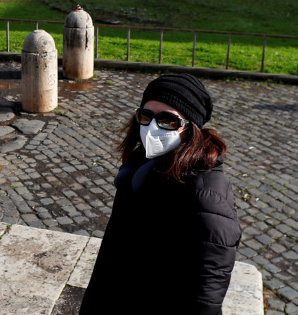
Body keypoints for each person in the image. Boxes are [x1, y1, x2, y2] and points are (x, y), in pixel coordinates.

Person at [79, 74, 240, 315]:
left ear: (189, 128)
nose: (152, 127)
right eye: (146, 116)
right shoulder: (141, 164)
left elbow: (205, 298)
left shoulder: (207, 197)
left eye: (168, 120)